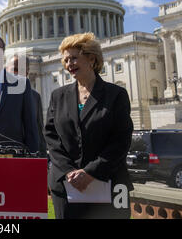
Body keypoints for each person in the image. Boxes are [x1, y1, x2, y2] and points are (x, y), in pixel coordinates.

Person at [44, 33, 133, 219]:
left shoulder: (116, 94)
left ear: (91, 59)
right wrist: (69, 172)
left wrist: (90, 173)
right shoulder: (58, 96)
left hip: (109, 184)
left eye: (74, 58)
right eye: (66, 60)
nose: (69, 64)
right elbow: (51, 138)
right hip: (66, 187)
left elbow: (121, 140)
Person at [6, 53, 47, 157]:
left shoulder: (35, 96)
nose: (18, 74)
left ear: (27, 73)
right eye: (15, 69)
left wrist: (42, 157)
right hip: (3, 155)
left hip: (27, 155)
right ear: (6, 70)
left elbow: (38, 129)